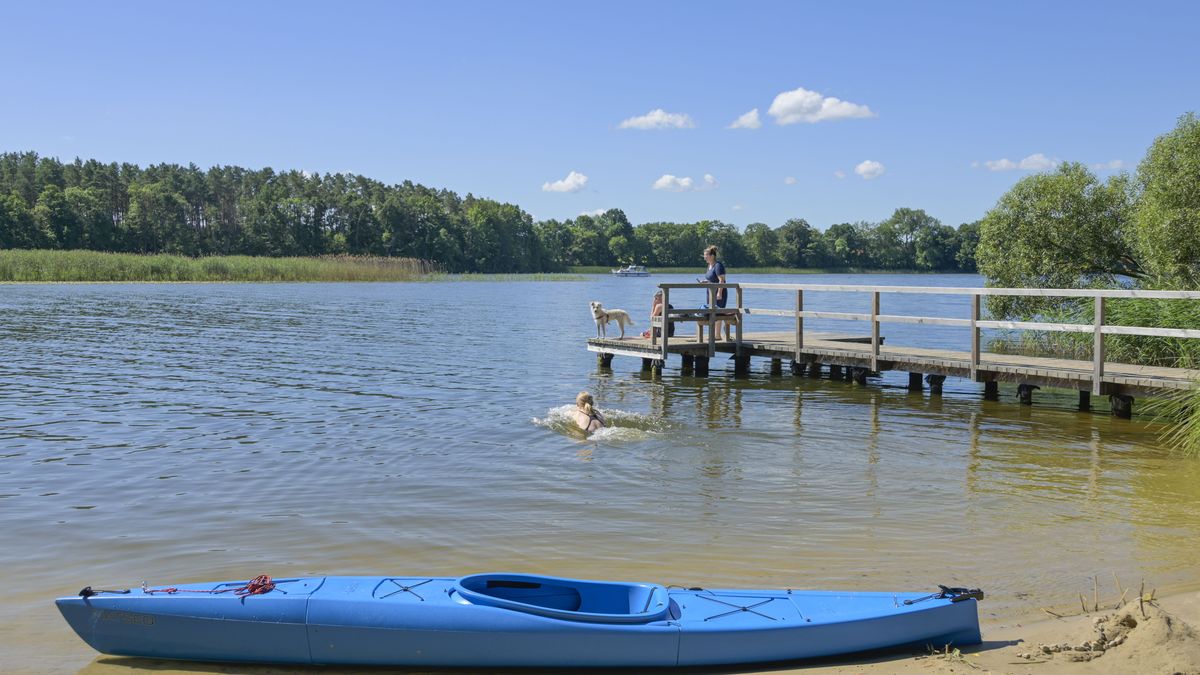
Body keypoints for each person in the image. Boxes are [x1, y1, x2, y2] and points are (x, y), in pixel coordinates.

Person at [699, 244, 731, 340]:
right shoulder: (709, 266)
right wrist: (706, 282)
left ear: (712, 256)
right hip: (710, 292)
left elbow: (721, 280)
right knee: (711, 312)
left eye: (706, 255)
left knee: (718, 312)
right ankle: (714, 334)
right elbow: (712, 279)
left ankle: (717, 335)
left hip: (719, 292)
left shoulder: (718, 265)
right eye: (704, 255)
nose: (705, 257)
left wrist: (719, 293)